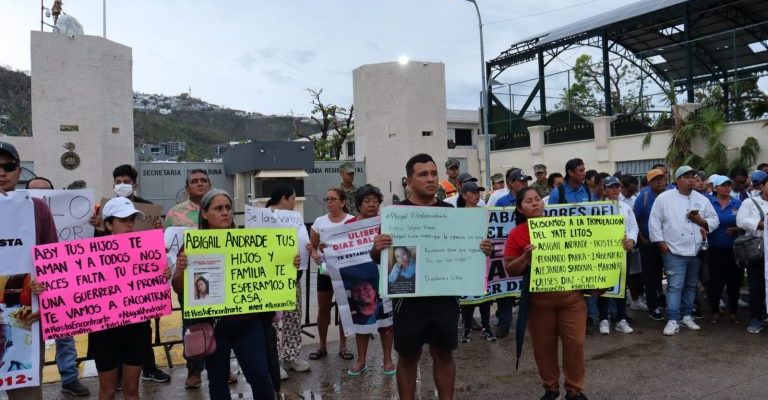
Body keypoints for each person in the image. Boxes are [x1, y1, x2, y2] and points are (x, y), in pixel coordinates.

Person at [371, 153, 492, 400]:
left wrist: (481, 249)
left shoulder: (451, 212)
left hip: (444, 299)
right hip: (408, 301)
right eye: (423, 174)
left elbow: (465, 250)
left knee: (444, 355)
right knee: (407, 358)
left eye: (434, 173)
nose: (430, 179)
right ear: (408, 181)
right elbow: (381, 258)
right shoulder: (396, 215)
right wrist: (378, 248)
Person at [174, 189, 297, 399]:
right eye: (218, 208)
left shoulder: (249, 242)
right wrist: (180, 269)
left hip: (249, 323)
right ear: (204, 213)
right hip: (213, 326)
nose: (225, 213)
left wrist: (290, 263)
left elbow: (274, 274)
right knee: (217, 379)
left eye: (228, 208)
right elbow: (179, 288)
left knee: (259, 376)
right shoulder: (192, 246)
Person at [503, 187, 589, 400]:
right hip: (539, 304)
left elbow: (589, 256)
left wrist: (618, 246)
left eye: (538, 199)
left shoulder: (565, 226)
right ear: (520, 209)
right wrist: (525, 258)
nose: (534, 203)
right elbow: (511, 268)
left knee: (575, 345)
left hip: (571, 300)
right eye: (528, 201)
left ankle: (574, 389)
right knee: (543, 349)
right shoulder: (517, 234)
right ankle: (551, 388)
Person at [81, 197, 172, 400]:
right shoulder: (89, 253)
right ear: (108, 224)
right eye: (123, 220)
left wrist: (164, 274)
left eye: (132, 219)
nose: (130, 224)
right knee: (108, 390)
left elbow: (160, 278)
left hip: (136, 327)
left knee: (132, 389)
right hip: (103, 330)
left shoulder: (146, 249)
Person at [0, 141, 59, 400]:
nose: (2, 172)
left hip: (25, 317)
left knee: (26, 393)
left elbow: (53, 263)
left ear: (19, 171)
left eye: (8, 166)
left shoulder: (37, 209)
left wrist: (43, 299)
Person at [23, 177, 91, 396]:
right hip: (27, 286)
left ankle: (69, 377)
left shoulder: (63, 216)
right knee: (28, 337)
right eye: (33, 192)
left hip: (61, 282)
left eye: (44, 192)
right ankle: (30, 383)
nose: (38, 196)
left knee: (65, 333)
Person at [649, 166, 719, 336]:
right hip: (673, 250)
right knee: (675, 286)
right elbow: (654, 222)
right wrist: (660, 243)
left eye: (693, 177)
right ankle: (673, 319)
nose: (691, 180)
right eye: (687, 177)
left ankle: (687, 315)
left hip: (695, 250)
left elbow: (714, 219)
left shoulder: (702, 199)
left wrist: (700, 220)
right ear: (678, 180)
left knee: (690, 286)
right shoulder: (664, 198)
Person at [344, 184, 396, 376]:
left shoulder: (387, 223)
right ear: (359, 204)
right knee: (362, 322)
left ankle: (388, 359)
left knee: (387, 323)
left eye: (375, 201)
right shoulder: (348, 226)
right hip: (361, 284)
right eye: (367, 201)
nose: (372, 204)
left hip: (385, 279)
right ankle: (361, 360)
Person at [264, 183, 311, 378]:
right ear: (283, 198)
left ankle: (291, 356)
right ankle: (273, 360)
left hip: (294, 275)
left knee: (293, 316)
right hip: (272, 277)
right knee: (273, 320)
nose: (294, 202)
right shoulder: (263, 217)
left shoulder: (295, 218)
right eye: (292, 198)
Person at [310, 188, 354, 360]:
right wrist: (315, 255)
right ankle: (322, 345)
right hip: (326, 271)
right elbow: (313, 246)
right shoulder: (319, 222)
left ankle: (344, 346)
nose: (329, 202)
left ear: (342, 202)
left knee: (345, 308)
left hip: (345, 270)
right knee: (323, 309)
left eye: (333, 199)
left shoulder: (352, 221)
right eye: (327, 199)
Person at [597, 177, 638, 335]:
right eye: (611, 187)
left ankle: (621, 319)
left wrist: (631, 241)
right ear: (604, 189)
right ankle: (603, 319)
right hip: (604, 253)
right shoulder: (597, 208)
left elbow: (633, 227)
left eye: (617, 187)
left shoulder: (626, 207)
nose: (615, 190)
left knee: (622, 285)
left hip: (623, 252)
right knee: (603, 286)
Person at [457, 181, 497, 343]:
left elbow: (493, 234)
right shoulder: (457, 214)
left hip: (483, 259)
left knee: (485, 297)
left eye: (477, 192)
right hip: (465, 260)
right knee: (467, 297)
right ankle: (467, 328)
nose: (476, 195)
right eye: (472, 192)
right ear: (464, 195)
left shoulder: (485, 212)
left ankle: (486, 327)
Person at [707, 176, 743, 325]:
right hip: (713, 250)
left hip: (734, 250)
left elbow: (746, 223)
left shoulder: (738, 203)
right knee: (714, 282)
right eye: (723, 185)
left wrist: (736, 229)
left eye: (729, 185)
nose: (727, 187)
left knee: (734, 282)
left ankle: (733, 312)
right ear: (715, 188)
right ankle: (715, 312)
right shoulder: (709, 203)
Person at [634, 169, 669, 320]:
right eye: (655, 179)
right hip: (648, 242)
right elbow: (634, 219)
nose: (659, 181)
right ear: (649, 183)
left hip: (667, 241)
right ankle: (653, 306)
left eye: (661, 178)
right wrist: (642, 239)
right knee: (650, 274)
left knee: (666, 272)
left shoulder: (670, 194)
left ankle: (663, 299)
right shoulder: (644, 196)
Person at [736, 174, 768, 334]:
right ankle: (756, 318)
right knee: (756, 285)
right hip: (758, 251)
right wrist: (762, 224)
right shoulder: (750, 202)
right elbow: (740, 220)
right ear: (762, 186)